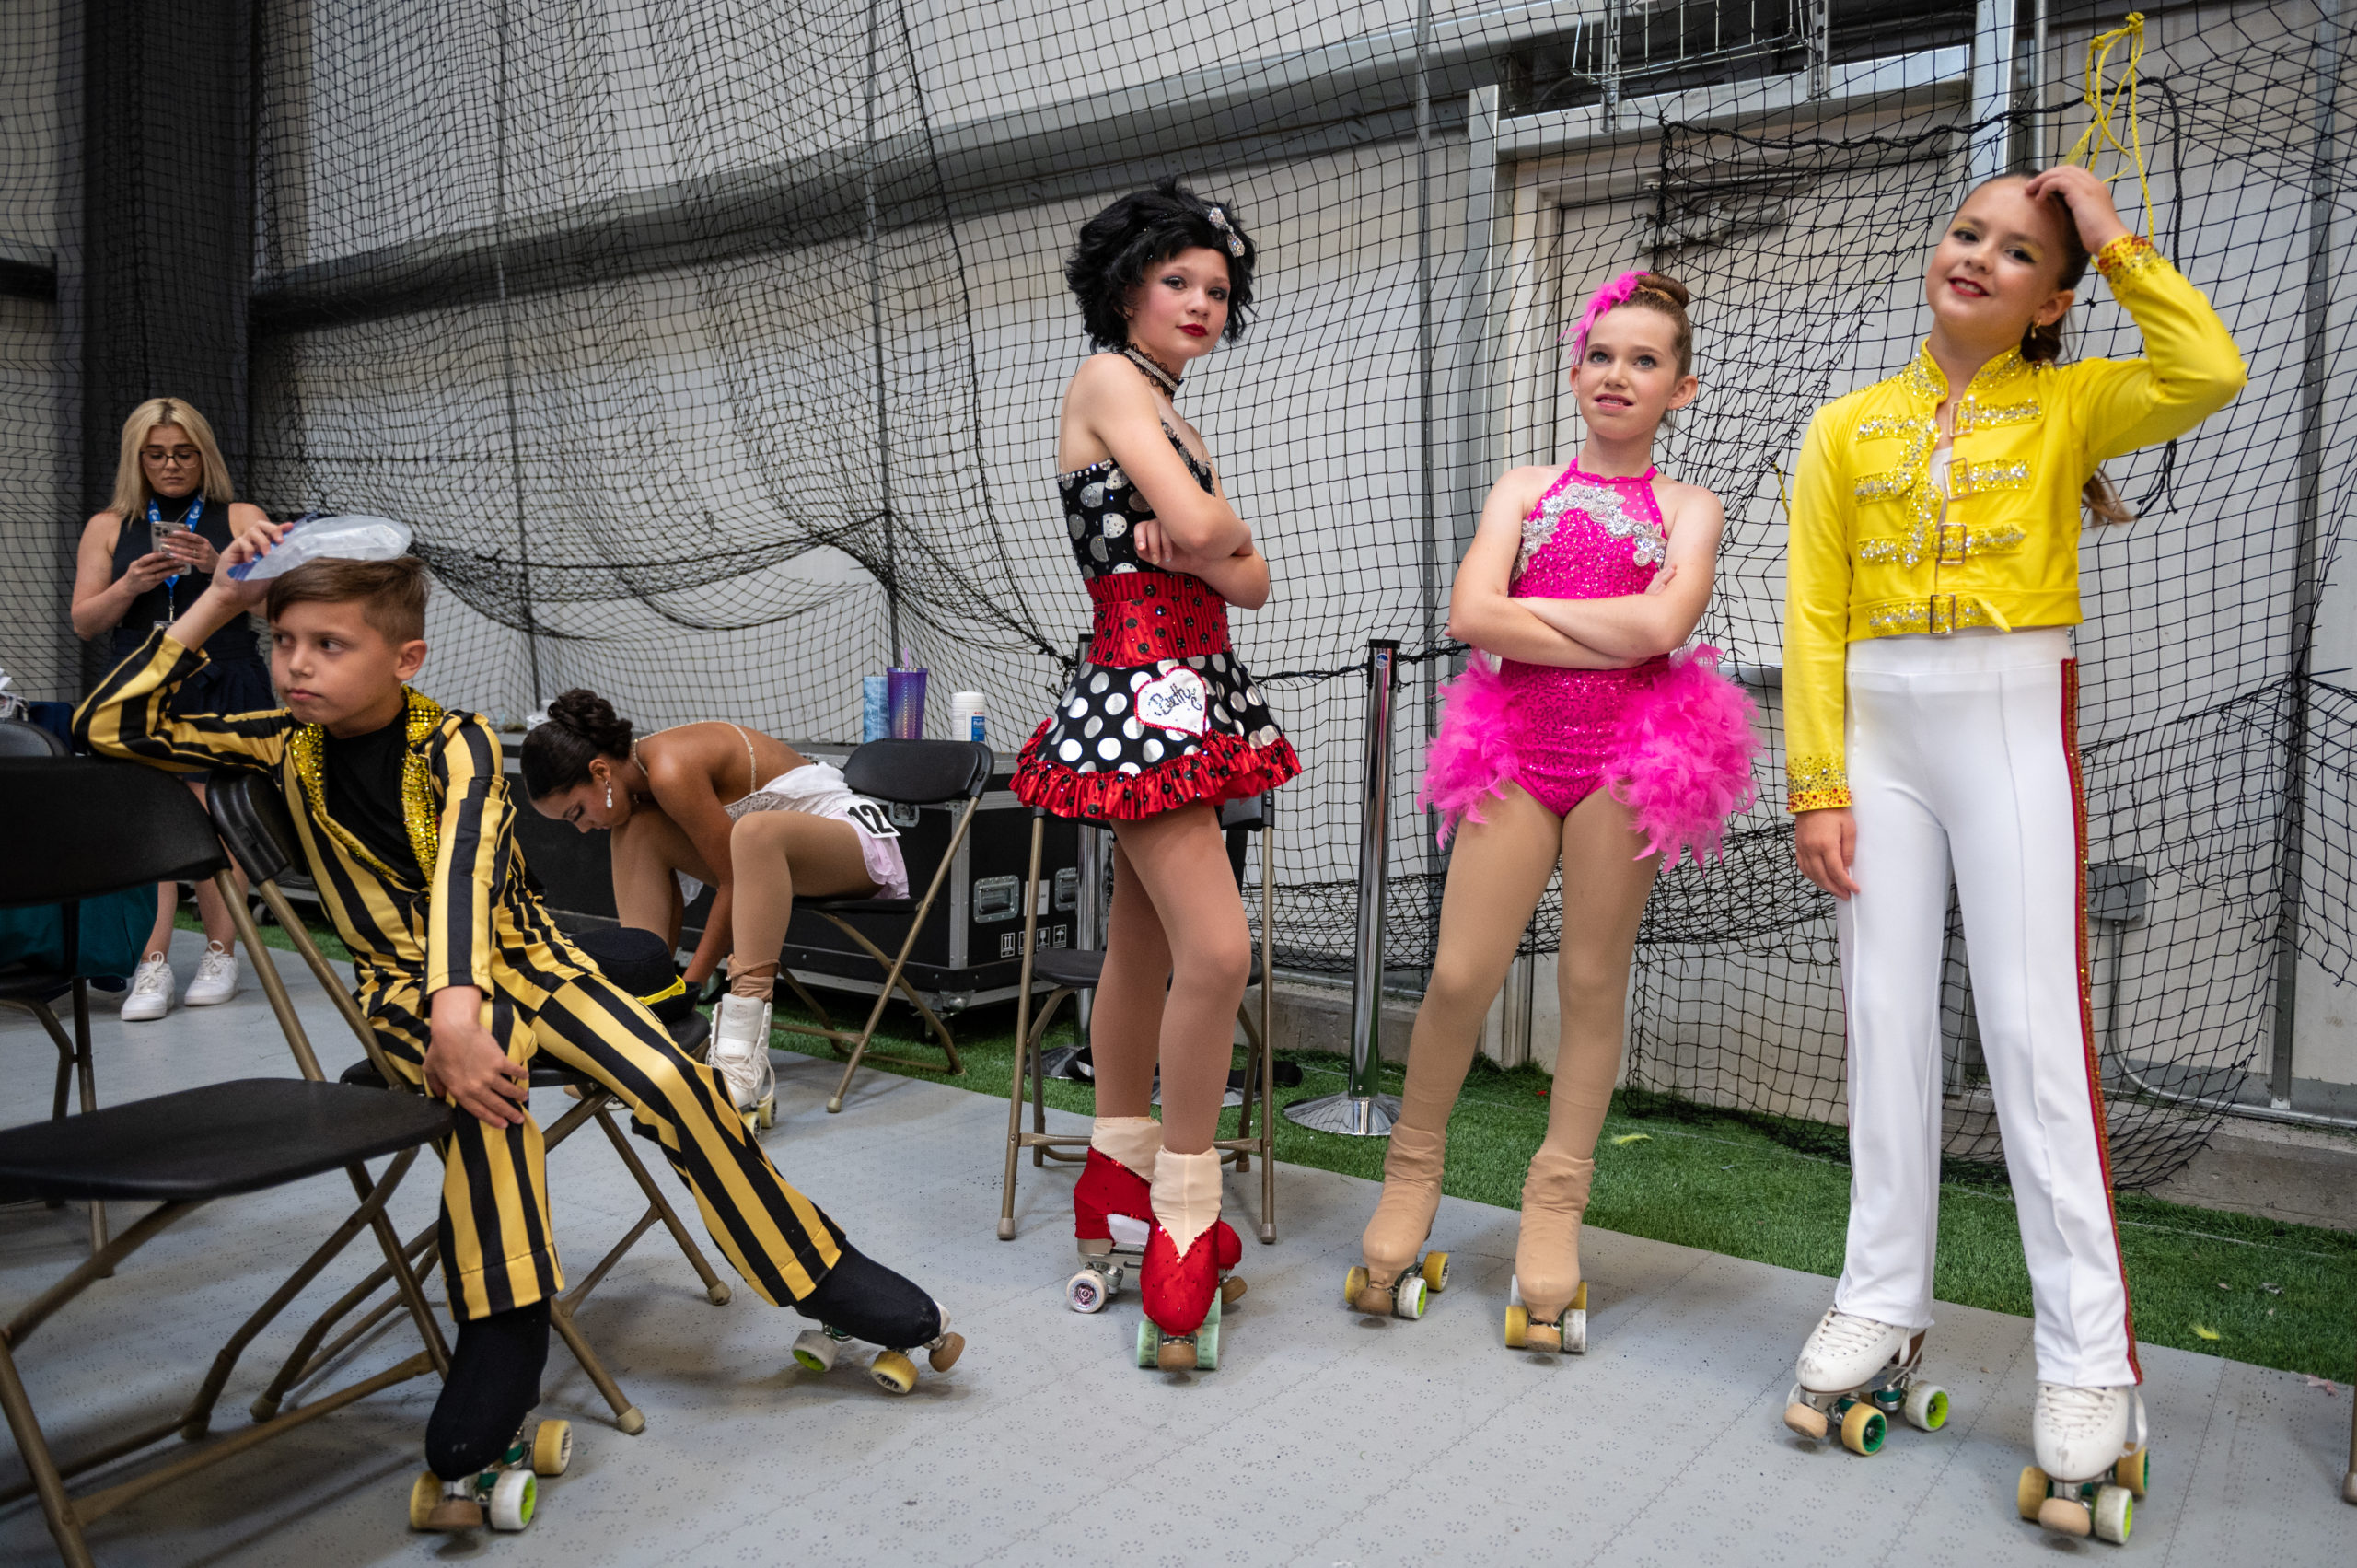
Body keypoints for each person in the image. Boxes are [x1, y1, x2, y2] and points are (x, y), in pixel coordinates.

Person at [76, 547, 964, 1529]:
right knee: (487, 1097)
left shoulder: (454, 741)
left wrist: (466, 1005)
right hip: (406, 989)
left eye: (330, 644)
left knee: (676, 1079)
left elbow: (463, 870)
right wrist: (218, 601)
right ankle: (503, 1328)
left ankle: (816, 1270)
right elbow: (105, 723)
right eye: (283, 641)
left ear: (405, 658)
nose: (297, 665)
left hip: (527, 961)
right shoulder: (276, 741)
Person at [1781, 166, 2244, 1516]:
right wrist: (1817, 780)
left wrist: (2107, 229)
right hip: (1874, 734)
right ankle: (1878, 1295)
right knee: (1883, 1018)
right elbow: (1814, 615)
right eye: (1967, 232)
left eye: (2022, 250)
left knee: (2036, 1032)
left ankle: (2091, 1356)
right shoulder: (1842, 426)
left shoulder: (2079, 401)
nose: (1980, 256)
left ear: (2054, 294)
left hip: (2005, 721)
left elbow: (2208, 365)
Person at [1352, 272, 1755, 1351]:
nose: (1617, 375)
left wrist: (1535, 618)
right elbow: (1466, 612)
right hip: (1516, 751)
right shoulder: (1521, 488)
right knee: (1457, 972)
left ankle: (1554, 1206)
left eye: (1645, 361)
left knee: (1587, 980)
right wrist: (1607, 626)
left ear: (1682, 387)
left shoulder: (1689, 507)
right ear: (1574, 371)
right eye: (1601, 356)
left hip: (1629, 761)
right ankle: (1411, 1174)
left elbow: (1661, 627)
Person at [1010, 180, 1298, 1368]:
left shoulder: (1176, 411)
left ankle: (1112, 1177)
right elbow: (1203, 528)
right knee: (1217, 950)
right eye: (1179, 280)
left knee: (1142, 944)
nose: (1201, 303)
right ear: (1127, 285)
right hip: (1136, 690)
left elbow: (1252, 579)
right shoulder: (1112, 380)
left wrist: (1203, 536)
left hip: (1191, 690)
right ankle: (1185, 1203)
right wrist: (1200, 530)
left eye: (1218, 290)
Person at [520, 691, 909, 1126]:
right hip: (768, 863)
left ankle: (741, 1053)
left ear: (600, 771)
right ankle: (639, 1015)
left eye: (576, 812)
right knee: (637, 831)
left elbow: (733, 880)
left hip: (845, 841)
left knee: (753, 832)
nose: (583, 828)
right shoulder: (643, 784)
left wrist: (690, 985)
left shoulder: (668, 769)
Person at [69, 398, 270, 1018]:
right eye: (156, 454)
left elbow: (279, 609)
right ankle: (152, 960)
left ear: (202, 453)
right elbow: (83, 621)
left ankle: (220, 950)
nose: (171, 465)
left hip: (226, 674)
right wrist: (130, 585)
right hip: (142, 680)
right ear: (138, 459)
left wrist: (221, 574)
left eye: (183, 453)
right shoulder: (109, 524)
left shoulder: (238, 515)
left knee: (220, 821)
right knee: (151, 818)